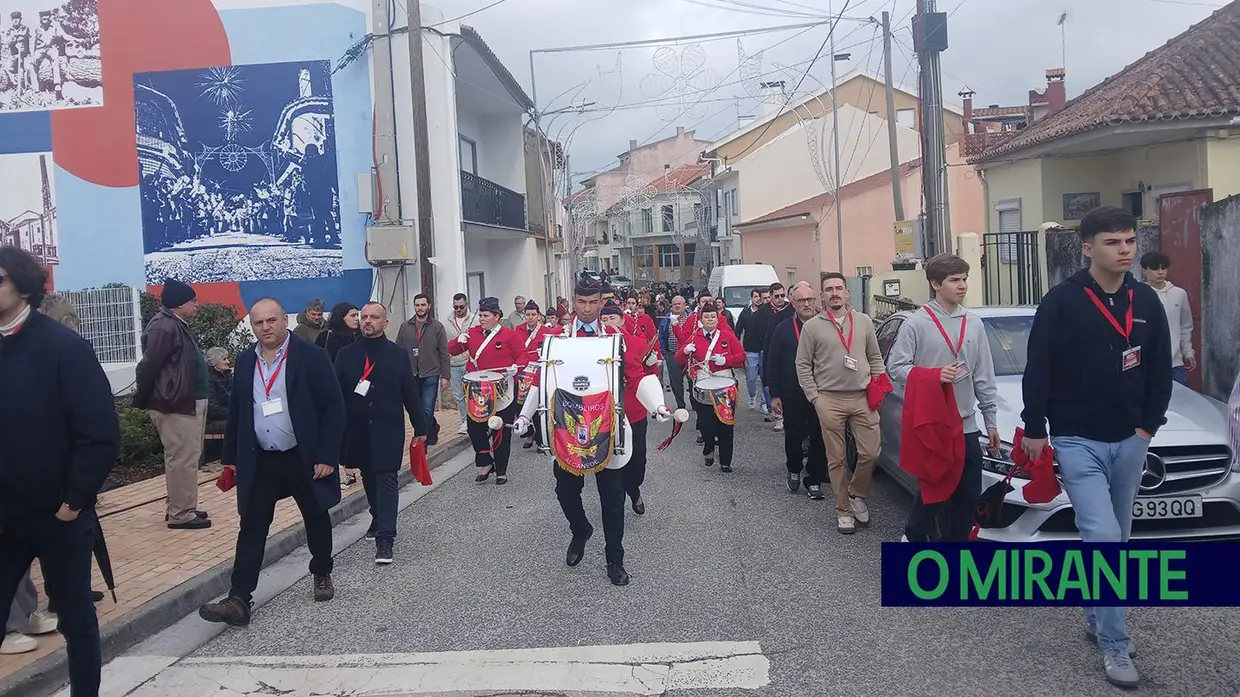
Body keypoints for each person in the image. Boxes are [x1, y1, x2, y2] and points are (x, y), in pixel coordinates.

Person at [1019, 206, 1171, 688]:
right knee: (1103, 538)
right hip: (1076, 438)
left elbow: (1159, 369)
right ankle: (1115, 645)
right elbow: (1038, 367)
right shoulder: (1062, 301)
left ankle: (1095, 611)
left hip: (1130, 440)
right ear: (1087, 247)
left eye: (1130, 241)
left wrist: (1147, 429)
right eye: (1113, 242)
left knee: (1117, 543)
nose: (1125, 250)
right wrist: (1035, 427)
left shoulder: (1146, 300)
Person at [0, 246, 121, 693]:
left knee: (76, 621)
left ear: (22, 283)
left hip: (60, 515)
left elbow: (100, 433)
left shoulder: (63, 347)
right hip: (6, 518)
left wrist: (74, 502)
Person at [199, 298, 346, 627]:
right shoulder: (247, 360)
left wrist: (326, 455)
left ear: (284, 320)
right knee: (251, 525)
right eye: (258, 323)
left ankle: (322, 571)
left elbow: (333, 407)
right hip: (261, 459)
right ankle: (239, 598)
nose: (265, 328)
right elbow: (239, 410)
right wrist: (231, 459)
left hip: (302, 457)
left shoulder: (311, 356)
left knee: (316, 516)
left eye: (271, 321)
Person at [527, 274, 664, 585]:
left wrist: (657, 405)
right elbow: (541, 380)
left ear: (602, 302)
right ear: (573, 302)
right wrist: (526, 417)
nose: (587, 309)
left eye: (593, 303)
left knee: (612, 498)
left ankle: (615, 559)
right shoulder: (557, 338)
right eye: (581, 302)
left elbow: (636, 375)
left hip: (608, 426)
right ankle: (580, 529)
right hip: (567, 428)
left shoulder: (618, 339)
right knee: (565, 492)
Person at [885, 254, 1000, 541]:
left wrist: (991, 420)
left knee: (968, 498)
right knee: (932, 493)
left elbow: (983, 375)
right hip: (934, 424)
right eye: (954, 280)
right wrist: (933, 376)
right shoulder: (917, 323)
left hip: (966, 425)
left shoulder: (973, 323)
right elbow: (896, 367)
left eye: (964, 279)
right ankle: (911, 540)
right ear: (936, 284)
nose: (962, 286)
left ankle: (953, 560)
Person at [335, 302, 431, 564]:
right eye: (363, 317)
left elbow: (409, 393)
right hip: (356, 428)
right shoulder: (346, 355)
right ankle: (377, 517)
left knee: (387, 478)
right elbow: (335, 396)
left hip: (388, 427)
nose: (367, 321)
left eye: (374, 317)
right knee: (368, 475)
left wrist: (422, 426)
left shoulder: (398, 354)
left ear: (385, 323)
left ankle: (385, 539)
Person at [795, 273, 885, 534]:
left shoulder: (864, 322)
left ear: (847, 293)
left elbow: (875, 357)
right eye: (828, 289)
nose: (834, 293)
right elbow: (802, 364)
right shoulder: (812, 327)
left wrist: (878, 385)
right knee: (836, 458)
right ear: (822, 296)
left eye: (838, 288)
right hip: (829, 399)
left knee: (870, 453)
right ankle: (843, 510)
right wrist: (814, 397)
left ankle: (857, 494)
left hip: (862, 398)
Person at [134, 278, 212, 530]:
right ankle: (180, 513)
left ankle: (182, 506)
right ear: (179, 304)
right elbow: (148, 367)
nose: (196, 305)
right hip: (175, 404)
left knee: (188, 456)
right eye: (192, 300)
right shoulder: (164, 328)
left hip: (186, 402)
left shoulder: (176, 324)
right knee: (182, 458)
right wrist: (146, 398)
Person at [448, 297, 524, 484]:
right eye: (480, 315)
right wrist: (459, 340)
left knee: (500, 429)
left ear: (496, 316)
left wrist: (516, 367)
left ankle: (501, 470)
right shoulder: (472, 333)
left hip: (503, 389)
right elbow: (452, 350)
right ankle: (485, 461)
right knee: (475, 428)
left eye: (485, 315)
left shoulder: (509, 335)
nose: (481, 318)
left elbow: (522, 355)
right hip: (478, 390)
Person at [766, 281, 828, 498]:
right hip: (792, 391)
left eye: (810, 300)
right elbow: (772, 362)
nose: (807, 304)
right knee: (794, 434)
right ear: (792, 303)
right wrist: (774, 394)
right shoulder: (782, 329)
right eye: (801, 300)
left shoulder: (825, 325)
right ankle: (794, 468)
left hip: (822, 390)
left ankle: (815, 479)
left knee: (819, 435)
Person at [677, 304, 746, 472]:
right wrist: (685, 351)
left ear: (718, 318)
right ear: (701, 320)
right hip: (703, 384)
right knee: (706, 424)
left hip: (724, 385)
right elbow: (678, 360)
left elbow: (741, 357)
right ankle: (708, 448)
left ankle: (725, 461)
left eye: (713, 317)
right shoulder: (694, 337)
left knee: (726, 425)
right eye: (706, 317)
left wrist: (726, 360)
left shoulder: (727, 336)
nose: (710, 320)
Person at [395, 293, 449, 444]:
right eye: (417, 305)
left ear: (429, 306)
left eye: (423, 305)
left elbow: (444, 352)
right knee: (417, 408)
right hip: (411, 373)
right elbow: (398, 349)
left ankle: (422, 440)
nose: (420, 308)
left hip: (431, 372)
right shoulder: (405, 326)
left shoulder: (437, 326)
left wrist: (446, 376)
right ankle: (433, 427)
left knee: (427, 408)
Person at [1140, 251, 1195, 386]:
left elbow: (1185, 326)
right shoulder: (1138, 294)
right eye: (1155, 268)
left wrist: (1188, 352)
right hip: (1147, 364)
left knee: (1181, 404)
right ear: (1145, 270)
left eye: (1163, 268)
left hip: (1175, 363)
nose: (1160, 272)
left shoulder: (1179, 294)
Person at [513, 299, 551, 450]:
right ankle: (529, 432)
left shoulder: (545, 331)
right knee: (519, 404)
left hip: (537, 372)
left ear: (538, 316)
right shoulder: (518, 329)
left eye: (533, 314)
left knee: (537, 405)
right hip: (522, 370)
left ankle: (541, 439)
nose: (530, 317)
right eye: (527, 314)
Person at [761, 282, 794, 431]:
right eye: (777, 296)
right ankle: (779, 418)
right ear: (771, 296)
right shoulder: (767, 313)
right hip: (775, 355)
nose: (781, 299)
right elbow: (767, 344)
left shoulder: (795, 312)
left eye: (783, 295)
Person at [446, 293, 480, 435]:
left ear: (467, 305)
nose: (459, 309)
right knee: (459, 396)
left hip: (469, 362)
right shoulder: (446, 321)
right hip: (454, 363)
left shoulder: (476, 319)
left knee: (472, 394)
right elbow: (445, 344)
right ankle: (464, 421)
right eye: (456, 307)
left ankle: (475, 420)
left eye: (461, 307)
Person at [734, 288, 769, 413]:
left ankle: (764, 402)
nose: (758, 299)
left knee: (765, 378)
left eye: (759, 297)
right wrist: (736, 347)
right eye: (755, 296)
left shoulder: (767, 312)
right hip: (750, 349)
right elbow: (738, 331)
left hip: (765, 348)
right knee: (751, 377)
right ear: (751, 298)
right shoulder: (746, 313)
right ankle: (752, 396)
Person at [659, 295, 691, 410]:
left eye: (679, 304)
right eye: (674, 304)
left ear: (684, 305)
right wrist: (665, 353)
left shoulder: (691, 317)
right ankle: (681, 405)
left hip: (689, 355)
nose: (677, 306)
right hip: (672, 354)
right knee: (676, 381)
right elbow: (661, 336)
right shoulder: (667, 319)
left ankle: (694, 402)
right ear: (671, 306)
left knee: (692, 379)